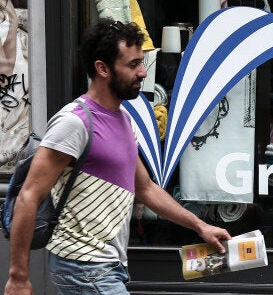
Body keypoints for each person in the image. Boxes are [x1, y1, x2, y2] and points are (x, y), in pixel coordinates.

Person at [4, 18, 231, 294]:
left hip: (110, 266)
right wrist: (18, 276)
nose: (143, 73)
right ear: (102, 68)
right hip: (83, 266)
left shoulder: (124, 121)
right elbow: (29, 196)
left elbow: (146, 189)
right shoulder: (75, 123)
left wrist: (200, 226)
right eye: (133, 64)